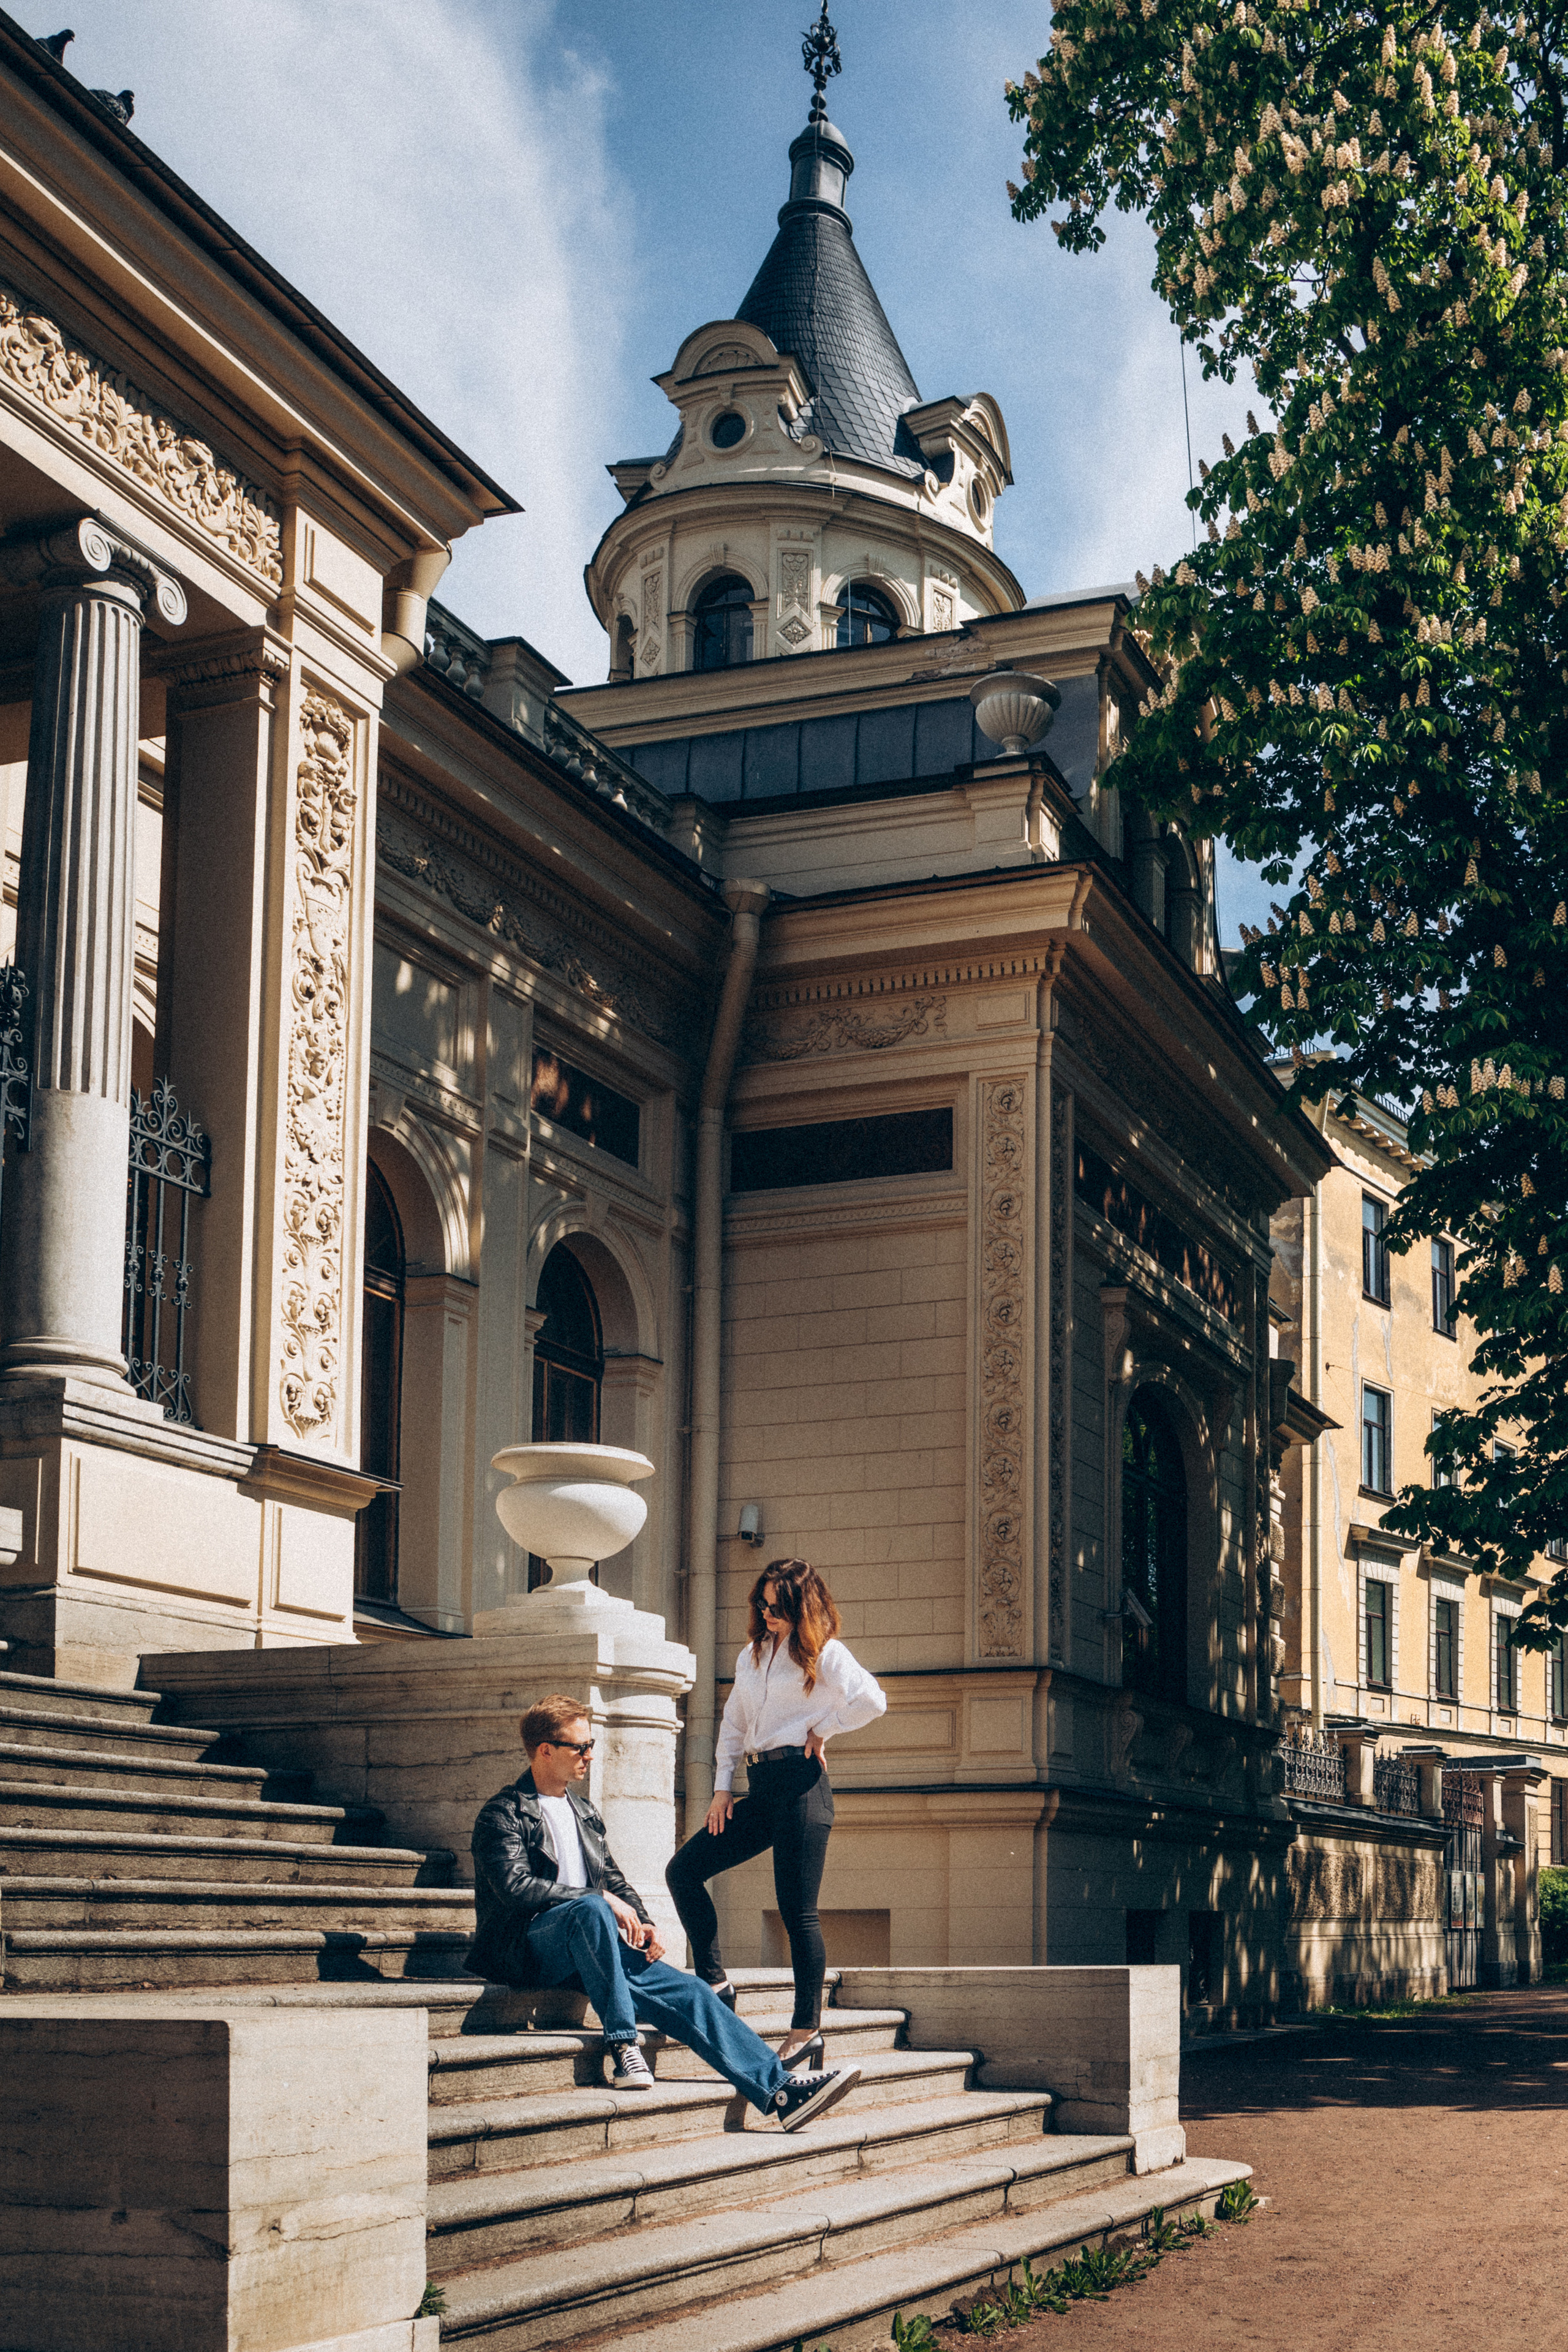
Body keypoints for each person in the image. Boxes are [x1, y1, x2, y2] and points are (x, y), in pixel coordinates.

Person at [467, 1692, 861, 2132]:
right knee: (592, 1909)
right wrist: (595, 1899)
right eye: (581, 1747)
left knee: (693, 1993)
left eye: (591, 1745)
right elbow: (515, 1888)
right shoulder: (504, 1813)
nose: (590, 1756)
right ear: (545, 1751)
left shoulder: (584, 1812)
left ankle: (781, 2092)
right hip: (534, 1948)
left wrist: (645, 1920)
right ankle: (622, 2046)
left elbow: (612, 1878)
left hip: (595, 1949)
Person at [667, 1558, 886, 2070]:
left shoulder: (824, 1653)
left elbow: (872, 1700)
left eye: (778, 1606)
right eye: (761, 1604)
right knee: (683, 1871)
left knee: (797, 1912)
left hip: (802, 1789)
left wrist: (824, 1728)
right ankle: (716, 1985)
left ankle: (806, 2029)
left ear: (801, 1606)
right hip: (760, 1790)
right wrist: (722, 1790)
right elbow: (733, 1726)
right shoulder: (751, 1655)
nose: (767, 1613)